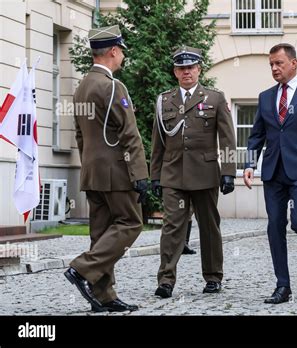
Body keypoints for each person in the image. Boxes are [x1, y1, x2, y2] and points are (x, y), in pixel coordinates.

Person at [64, 25, 148, 312]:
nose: (122, 56)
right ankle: (82, 267)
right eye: (122, 50)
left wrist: (88, 165)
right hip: (116, 171)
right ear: (113, 51)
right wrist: (140, 174)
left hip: (91, 172)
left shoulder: (82, 87)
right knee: (131, 223)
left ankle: (105, 296)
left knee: (100, 233)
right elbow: (129, 134)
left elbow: (79, 135)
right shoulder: (113, 86)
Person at [243, 43, 297, 304]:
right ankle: (283, 286)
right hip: (273, 171)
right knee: (274, 227)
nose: (274, 68)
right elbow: (256, 135)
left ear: (293, 63)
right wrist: (249, 164)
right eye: (271, 64)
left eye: (278, 63)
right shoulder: (265, 96)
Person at [150, 46, 237, 298]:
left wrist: (228, 172)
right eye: (181, 68)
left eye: (191, 67)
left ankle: (212, 276)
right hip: (173, 175)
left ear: (199, 69)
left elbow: (228, 139)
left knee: (209, 227)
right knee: (171, 228)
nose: (186, 71)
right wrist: (155, 175)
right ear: (175, 71)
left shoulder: (215, 98)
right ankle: (166, 280)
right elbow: (158, 142)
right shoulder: (165, 100)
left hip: (205, 174)